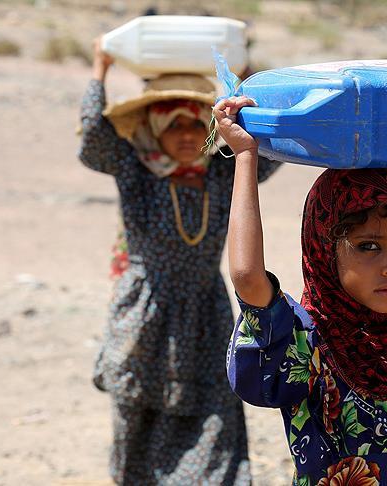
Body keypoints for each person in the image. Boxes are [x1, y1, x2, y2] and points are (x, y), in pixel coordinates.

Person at [214, 54, 387, 484]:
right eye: (368, 247)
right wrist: (246, 156)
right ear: (325, 249)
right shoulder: (305, 339)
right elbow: (248, 277)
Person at [79, 39, 281, 485]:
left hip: (206, 310)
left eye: (195, 124)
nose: (188, 136)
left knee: (215, 412)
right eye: (174, 126)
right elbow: (93, 140)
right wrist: (100, 68)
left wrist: (246, 80)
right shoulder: (135, 171)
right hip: (144, 312)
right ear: (153, 128)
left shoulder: (221, 171)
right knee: (138, 410)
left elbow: (266, 146)